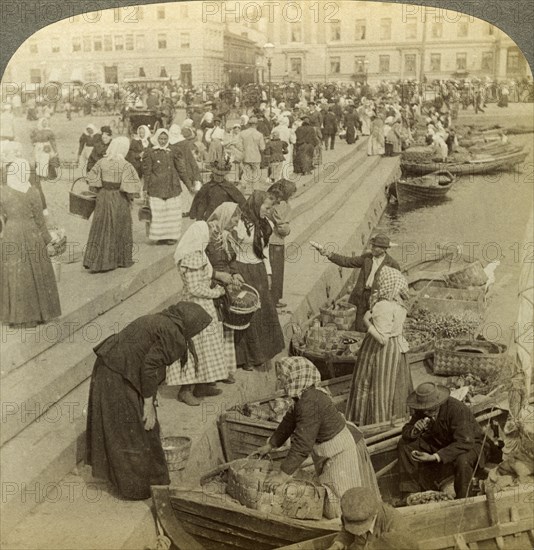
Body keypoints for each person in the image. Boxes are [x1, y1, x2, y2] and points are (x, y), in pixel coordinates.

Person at [86, 302, 212, 500]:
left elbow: (148, 363)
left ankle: (148, 480)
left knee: (133, 428)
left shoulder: (165, 321)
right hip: (116, 373)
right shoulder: (174, 335)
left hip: (113, 366)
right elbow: (148, 367)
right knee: (131, 431)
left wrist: (150, 397)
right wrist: (148, 404)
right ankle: (134, 488)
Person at [256, 358, 380, 519]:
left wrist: (283, 474)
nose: (279, 380)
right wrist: (271, 444)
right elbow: (290, 420)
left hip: (342, 449)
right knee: (331, 491)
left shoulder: (309, 402)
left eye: (283, 376)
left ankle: (349, 526)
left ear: (296, 377)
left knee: (342, 497)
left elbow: (302, 444)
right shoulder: (303, 396)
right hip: (330, 447)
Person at [166, 221, 231, 405]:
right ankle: (185, 390)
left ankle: (202, 384)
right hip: (195, 307)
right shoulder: (192, 256)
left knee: (207, 346)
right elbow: (194, 288)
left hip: (204, 306)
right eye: (209, 233)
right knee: (193, 347)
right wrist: (216, 292)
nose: (210, 236)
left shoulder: (198, 252)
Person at [0, 142, 61, 327]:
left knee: (15, 274)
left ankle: (16, 315)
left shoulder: (2, 192)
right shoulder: (33, 192)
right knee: (36, 273)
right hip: (32, 234)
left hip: (11, 233)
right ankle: (39, 312)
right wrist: (50, 240)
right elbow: (40, 222)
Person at [345, 267, 413, 425]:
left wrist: (366, 321)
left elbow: (382, 338)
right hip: (395, 349)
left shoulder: (384, 306)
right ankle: (393, 418)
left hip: (381, 351)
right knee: (391, 386)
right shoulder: (400, 305)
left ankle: (373, 421)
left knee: (373, 384)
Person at [398, 382, 488, 500]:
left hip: (472, 445)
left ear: (438, 403)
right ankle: (410, 493)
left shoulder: (456, 409)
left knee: (463, 460)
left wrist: (434, 456)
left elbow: (465, 442)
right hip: (444, 443)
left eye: (430, 410)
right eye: (424, 410)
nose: (426, 413)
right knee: (405, 444)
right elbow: (406, 430)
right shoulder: (423, 409)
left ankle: (464, 499)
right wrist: (414, 430)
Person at [233, 191, 285, 370]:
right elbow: (230, 250)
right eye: (266, 207)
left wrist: (269, 274)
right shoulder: (239, 223)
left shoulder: (266, 224)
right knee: (248, 313)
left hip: (259, 270)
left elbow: (265, 251)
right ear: (256, 205)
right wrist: (233, 273)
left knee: (264, 311)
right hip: (242, 269)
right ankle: (247, 358)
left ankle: (262, 353)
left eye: (270, 208)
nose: (268, 211)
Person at [313, 233, 401, 332]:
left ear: (384, 249)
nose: (371, 248)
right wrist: (328, 253)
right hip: (360, 295)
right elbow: (347, 261)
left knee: (373, 326)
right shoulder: (367, 258)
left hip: (376, 299)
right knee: (356, 324)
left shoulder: (392, 264)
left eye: (375, 246)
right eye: (372, 245)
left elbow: (395, 287)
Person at [83, 137, 141, 273]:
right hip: (118, 198)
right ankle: (119, 259)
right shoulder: (125, 165)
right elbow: (130, 188)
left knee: (101, 227)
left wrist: (100, 190)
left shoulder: (102, 162)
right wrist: (130, 200)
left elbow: (92, 181)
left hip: (103, 197)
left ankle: (96, 260)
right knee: (120, 226)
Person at [205, 202, 244, 384]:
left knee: (226, 328)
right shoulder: (208, 235)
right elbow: (202, 263)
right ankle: (209, 376)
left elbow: (232, 259)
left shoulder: (229, 236)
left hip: (225, 284)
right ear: (225, 218)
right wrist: (218, 275)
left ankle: (224, 370)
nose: (236, 225)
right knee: (212, 329)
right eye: (233, 221)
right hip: (210, 283)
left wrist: (235, 273)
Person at [327, 487, 419, 550]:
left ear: (374, 514)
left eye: (362, 525)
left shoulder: (394, 523)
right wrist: (338, 544)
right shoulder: (350, 513)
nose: (358, 532)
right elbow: (347, 532)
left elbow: (410, 546)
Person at [143, 128, 189, 245]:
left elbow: (181, 169)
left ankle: (171, 237)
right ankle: (160, 236)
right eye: (161, 139)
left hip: (171, 186)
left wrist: (188, 184)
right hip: (156, 187)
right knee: (159, 213)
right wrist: (145, 188)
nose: (163, 141)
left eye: (165, 139)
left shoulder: (174, 151)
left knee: (171, 213)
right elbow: (147, 172)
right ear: (156, 138)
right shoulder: (150, 152)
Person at [266, 179, 297, 308]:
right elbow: (282, 228)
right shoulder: (284, 206)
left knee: (271, 271)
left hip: (268, 242)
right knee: (277, 272)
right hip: (277, 242)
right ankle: (274, 299)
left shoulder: (271, 203)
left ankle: (270, 298)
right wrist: (287, 230)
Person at [239, 116, 266, 193]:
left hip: (246, 157)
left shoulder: (242, 133)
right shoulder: (259, 134)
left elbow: (239, 145)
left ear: (248, 124)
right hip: (256, 157)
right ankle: (255, 191)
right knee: (256, 174)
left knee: (246, 173)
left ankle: (243, 187)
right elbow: (262, 148)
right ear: (256, 124)